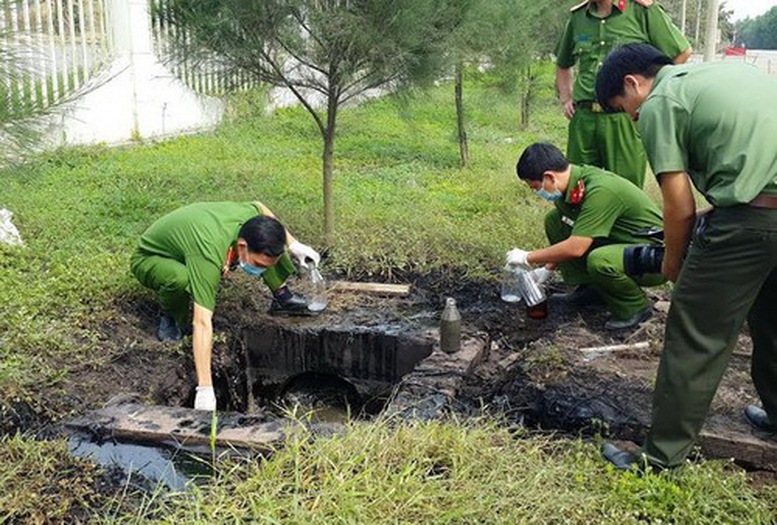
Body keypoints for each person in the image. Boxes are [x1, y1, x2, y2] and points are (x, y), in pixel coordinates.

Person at [595, 43, 777, 470]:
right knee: (772, 319)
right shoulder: (730, 75)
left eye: (626, 109)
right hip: (763, 210)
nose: (633, 118)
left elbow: (677, 205)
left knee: (695, 335)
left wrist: (672, 266)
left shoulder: (661, 101)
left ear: (633, 83)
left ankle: (660, 459)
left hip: (750, 226)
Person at [130, 201, 321, 411]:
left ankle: (282, 295)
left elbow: (260, 206)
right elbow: (202, 323)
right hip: (152, 258)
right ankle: (172, 315)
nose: (259, 270)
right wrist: (204, 389)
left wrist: (293, 244)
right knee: (180, 279)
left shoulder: (249, 219)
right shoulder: (207, 253)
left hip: (194, 238)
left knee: (267, 242)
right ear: (241, 247)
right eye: (258, 265)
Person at [506, 142, 665, 330]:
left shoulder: (600, 190)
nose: (536, 192)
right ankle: (593, 289)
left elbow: (576, 247)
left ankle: (634, 307)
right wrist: (547, 270)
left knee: (600, 260)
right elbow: (574, 232)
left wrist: (527, 257)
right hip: (622, 243)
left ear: (549, 177)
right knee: (556, 221)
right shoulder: (571, 188)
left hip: (654, 256)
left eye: (535, 187)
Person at [555, 0, 691, 188]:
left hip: (624, 119)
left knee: (626, 189)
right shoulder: (578, 17)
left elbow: (681, 52)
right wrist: (566, 98)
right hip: (584, 119)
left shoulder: (642, 11)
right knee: (578, 188)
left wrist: (650, 95)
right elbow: (563, 63)